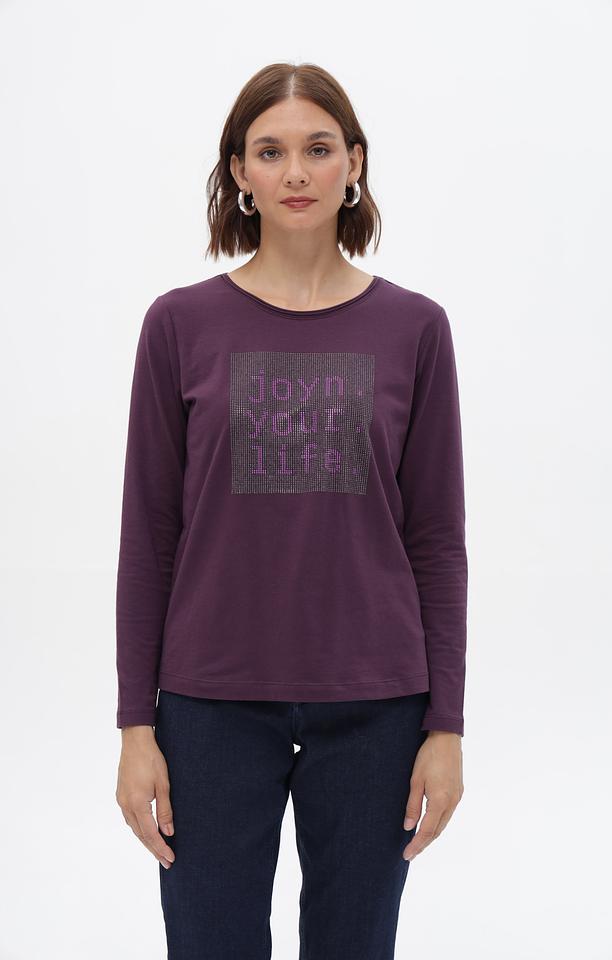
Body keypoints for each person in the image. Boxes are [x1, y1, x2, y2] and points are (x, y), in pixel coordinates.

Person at [115, 60, 468, 960]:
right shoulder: (179, 325)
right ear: (239, 171)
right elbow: (149, 537)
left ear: (355, 162)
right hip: (209, 703)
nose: (297, 173)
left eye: (318, 148)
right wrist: (135, 726)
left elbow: (436, 539)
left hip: (377, 704)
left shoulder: (416, 328)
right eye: (270, 152)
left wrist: (446, 726)